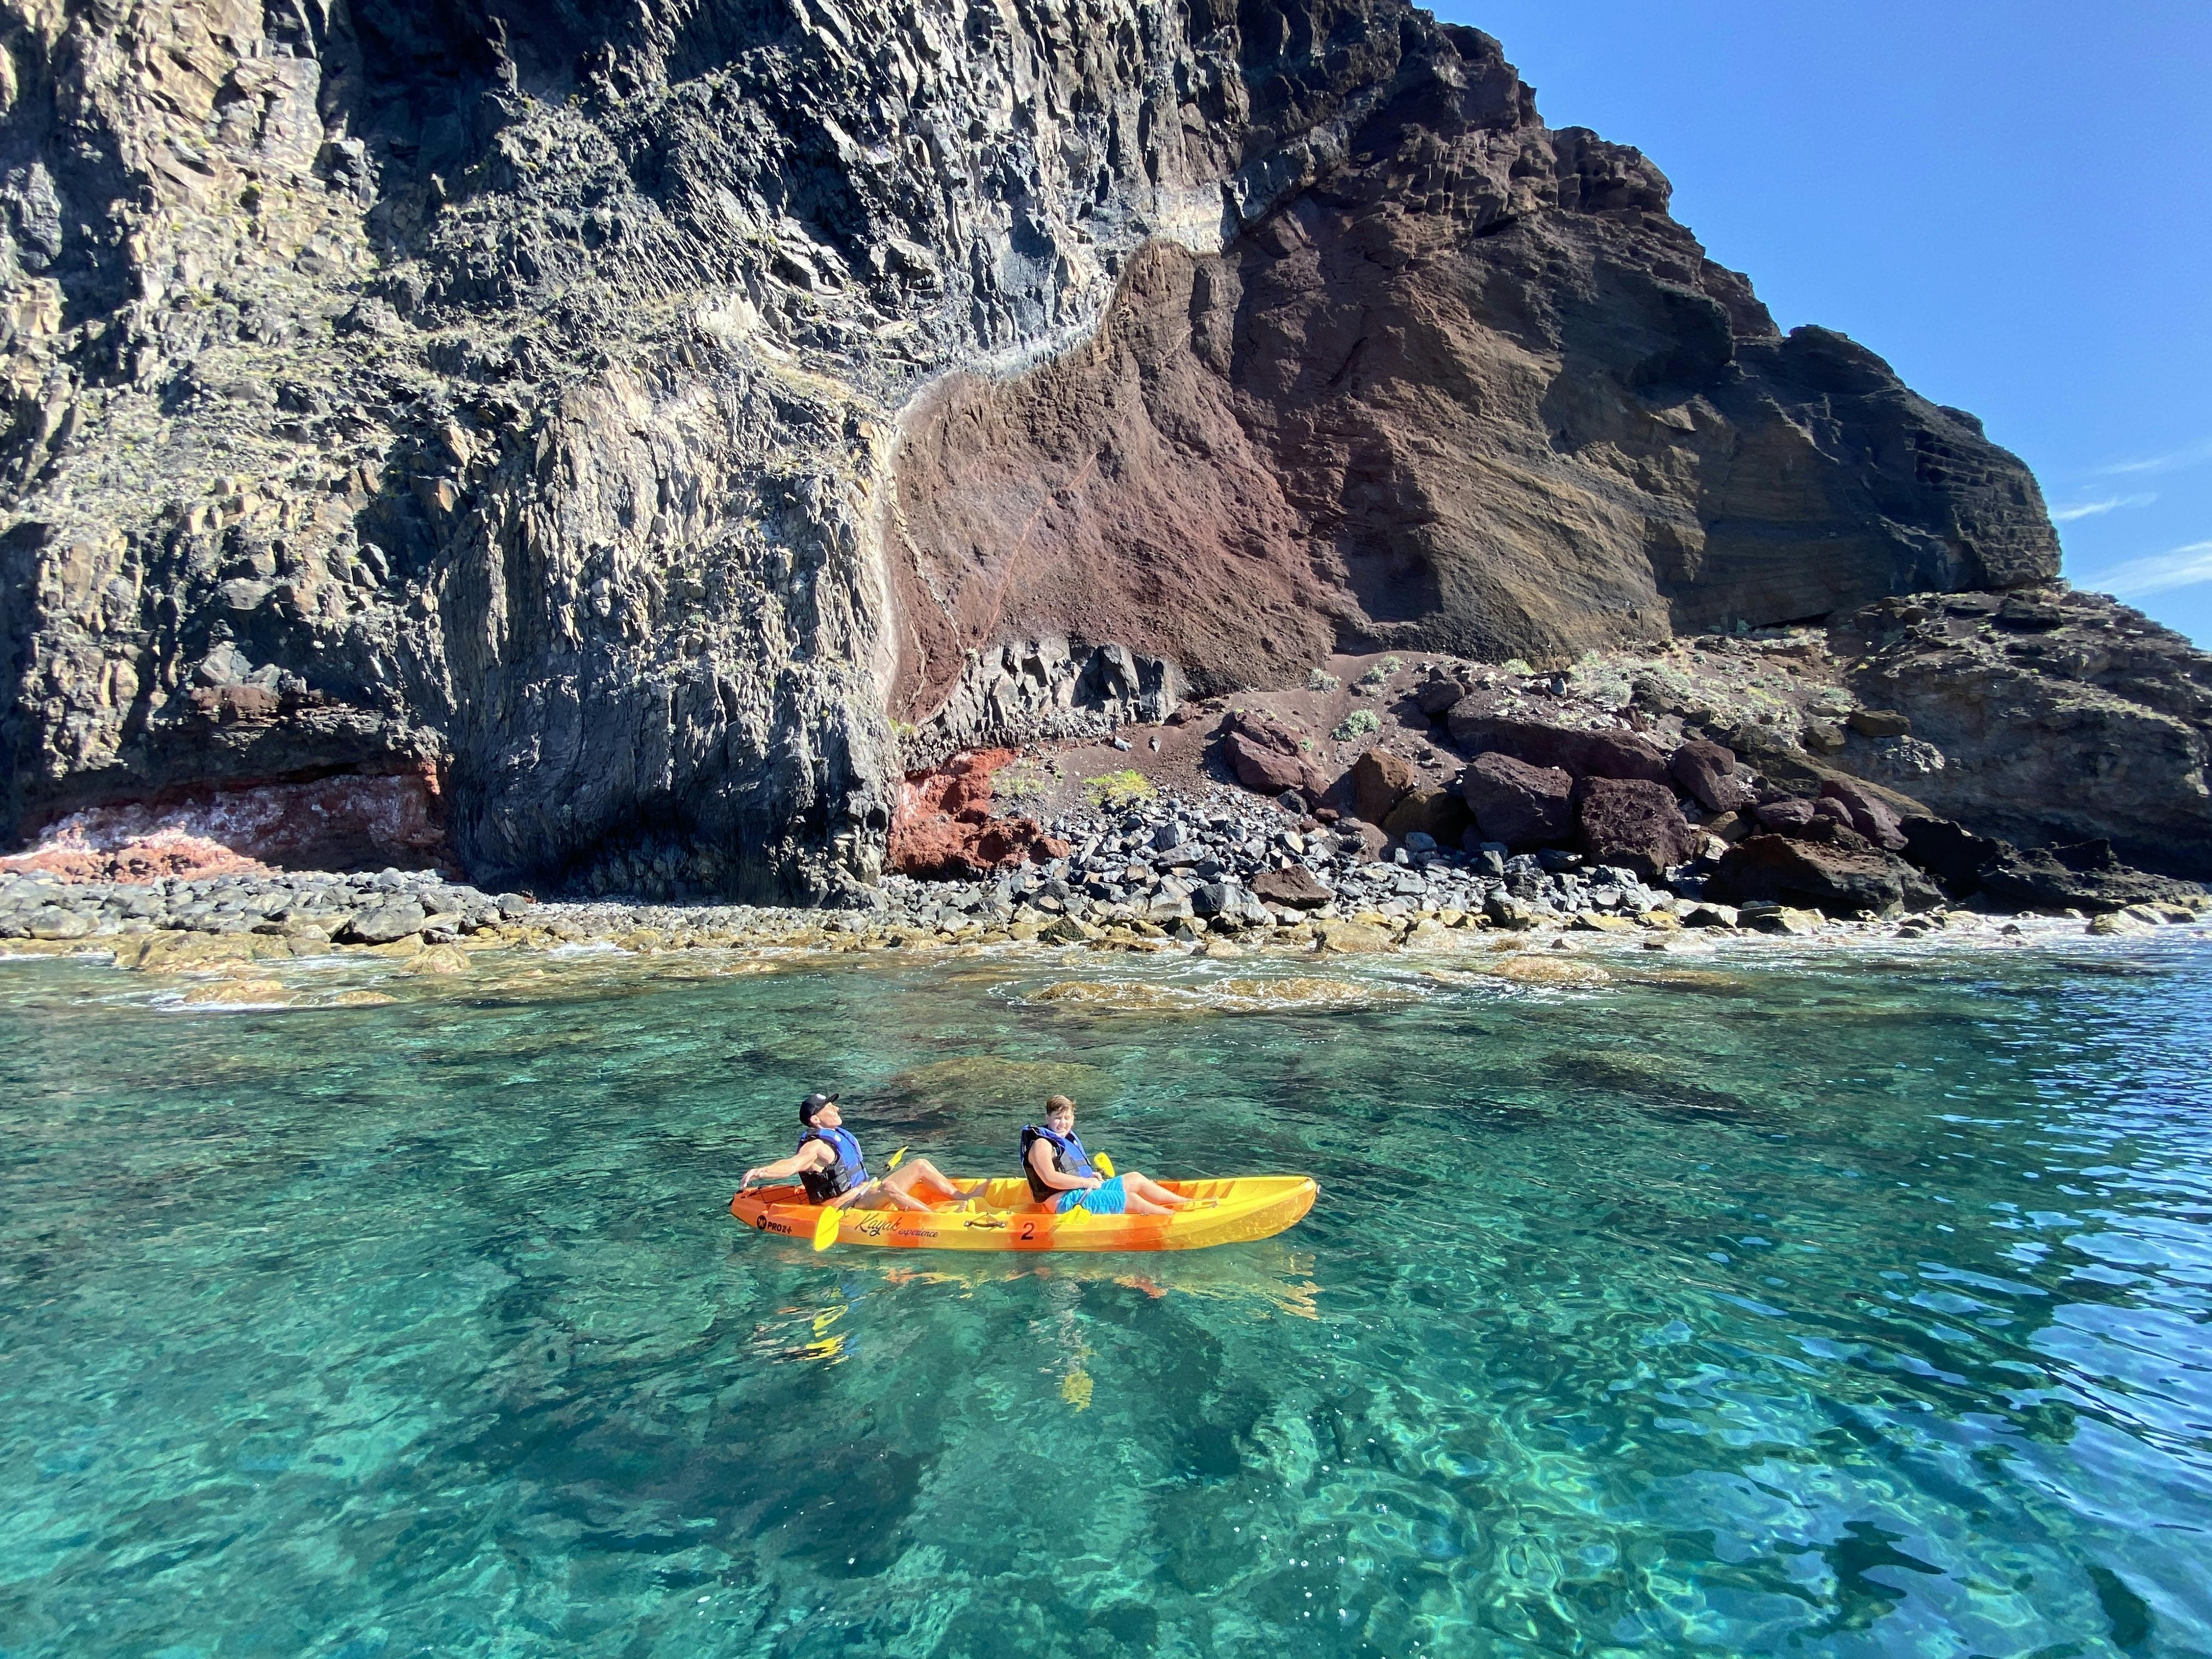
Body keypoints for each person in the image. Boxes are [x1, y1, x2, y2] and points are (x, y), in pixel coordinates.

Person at [740, 1093, 983, 1212]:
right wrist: (763, 1172)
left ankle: (963, 1199)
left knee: (920, 1164)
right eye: (829, 1107)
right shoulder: (815, 1147)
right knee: (890, 1188)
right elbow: (793, 1165)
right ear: (815, 1119)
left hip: (863, 1191)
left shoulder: (837, 1136)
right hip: (845, 1205)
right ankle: (936, 1221)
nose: (836, 1108)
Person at [1022, 1095, 1194, 1216]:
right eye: (1058, 1118)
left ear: (1073, 1119)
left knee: (1135, 1179)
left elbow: (1070, 1169)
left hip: (1081, 1190)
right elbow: (1049, 1179)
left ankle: (1186, 1204)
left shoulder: (1066, 1138)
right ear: (1048, 1118)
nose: (1063, 1123)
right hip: (1061, 1201)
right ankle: (1174, 1217)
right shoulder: (1042, 1144)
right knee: (1130, 1199)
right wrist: (1087, 1182)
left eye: (1067, 1118)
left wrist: (1090, 1176)